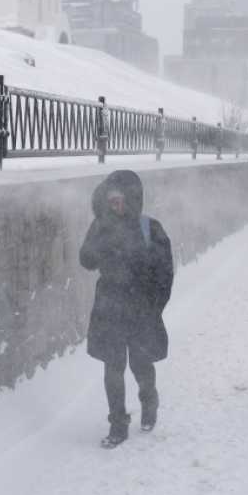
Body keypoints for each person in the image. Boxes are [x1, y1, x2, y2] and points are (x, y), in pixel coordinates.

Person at [79, 170, 175, 449]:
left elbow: (165, 272)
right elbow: (85, 260)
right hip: (110, 307)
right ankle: (117, 424)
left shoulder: (150, 228)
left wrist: (155, 306)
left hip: (141, 308)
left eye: (120, 201)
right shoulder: (100, 227)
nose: (116, 206)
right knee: (113, 365)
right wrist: (96, 246)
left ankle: (149, 401)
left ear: (132, 200)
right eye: (111, 202)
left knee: (140, 362)